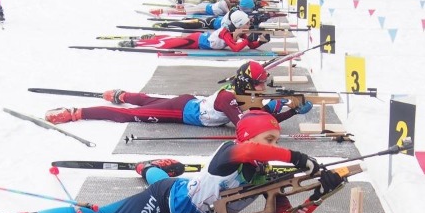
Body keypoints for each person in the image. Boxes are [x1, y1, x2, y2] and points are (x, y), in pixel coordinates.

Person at [0, 110, 339, 213]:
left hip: (186, 195)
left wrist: (319, 193)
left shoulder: (264, 174)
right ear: (247, 137)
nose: (274, 146)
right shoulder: (231, 155)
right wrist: (295, 156)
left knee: (158, 178)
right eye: (269, 140)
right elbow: (249, 151)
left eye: (277, 140)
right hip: (167, 201)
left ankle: (147, 167)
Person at [43, 61, 310, 128]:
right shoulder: (228, 99)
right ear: (247, 83)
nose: (263, 89)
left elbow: (258, 113)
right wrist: (276, 108)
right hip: (181, 111)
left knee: (148, 100)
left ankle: (121, 93)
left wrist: (291, 109)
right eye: (260, 85)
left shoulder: (237, 93)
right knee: (131, 117)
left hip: (188, 102)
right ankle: (76, 113)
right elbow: (246, 125)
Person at [122, 9, 259, 53]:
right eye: (247, 22)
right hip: (196, 40)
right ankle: (137, 43)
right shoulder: (225, 32)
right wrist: (247, 39)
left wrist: (260, 41)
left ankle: (154, 36)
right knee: (168, 45)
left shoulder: (239, 31)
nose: (249, 24)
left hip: (199, 40)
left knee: (170, 41)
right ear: (240, 24)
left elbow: (251, 45)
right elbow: (235, 48)